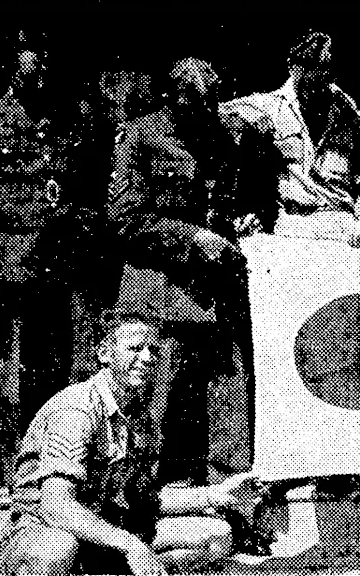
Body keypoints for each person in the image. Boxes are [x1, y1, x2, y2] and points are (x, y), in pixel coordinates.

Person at [0, 310, 267, 576]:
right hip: (41, 531)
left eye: (154, 351)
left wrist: (217, 495)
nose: (147, 358)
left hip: (103, 530)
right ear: (105, 353)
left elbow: (145, 500)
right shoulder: (76, 410)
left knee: (215, 535)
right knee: (57, 548)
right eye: (135, 348)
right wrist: (129, 544)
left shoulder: (139, 415)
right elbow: (56, 506)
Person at [108, 57, 273, 484]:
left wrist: (248, 218)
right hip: (162, 298)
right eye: (194, 107)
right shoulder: (140, 136)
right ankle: (143, 505)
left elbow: (250, 196)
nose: (203, 115)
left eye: (210, 105)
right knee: (157, 420)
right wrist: (194, 239)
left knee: (222, 419)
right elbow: (124, 220)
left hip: (217, 298)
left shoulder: (228, 136)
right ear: (173, 98)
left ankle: (224, 501)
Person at [0, 30, 96, 484]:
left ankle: (50, 475)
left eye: (49, 58)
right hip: (8, 274)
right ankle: (12, 481)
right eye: (34, 56)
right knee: (11, 384)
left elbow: (81, 194)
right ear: (14, 62)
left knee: (57, 379)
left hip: (58, 273)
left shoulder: (67, 123)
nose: (43, 67)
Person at [222, 30, 360, 246]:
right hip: (290, 226)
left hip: (343, 226)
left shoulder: (356, 121)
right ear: (292, 66)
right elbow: (216, 111)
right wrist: (248, 118)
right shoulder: (270, 107)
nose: (315, 77)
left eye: (323, 69)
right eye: (308, 67)